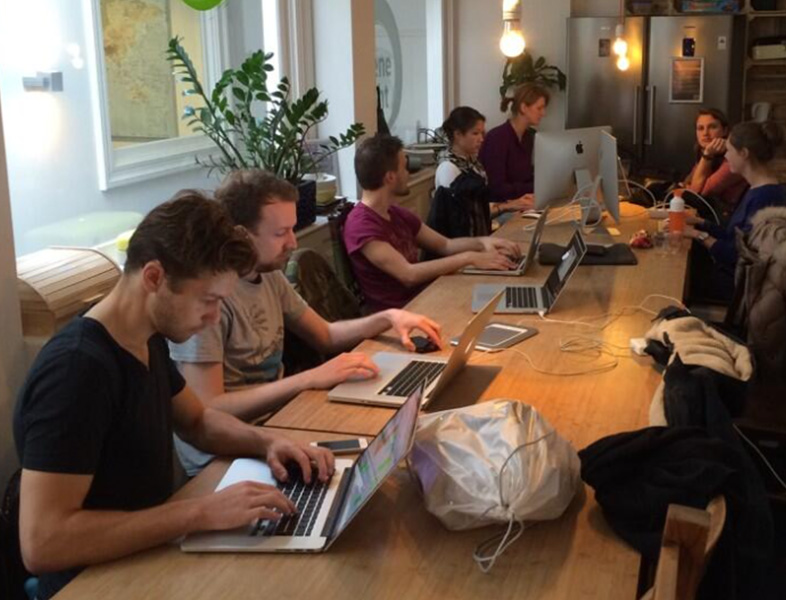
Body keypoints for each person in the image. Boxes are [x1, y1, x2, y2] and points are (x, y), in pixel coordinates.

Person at [13, 192, 335, 600]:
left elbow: (198, 422)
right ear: (153, 278)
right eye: (208, 301)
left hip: (149, 557)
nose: (215, 317)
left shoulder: (146, 338)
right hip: (96, 583)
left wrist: (271, 441)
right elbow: (43, 543)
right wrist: (200, 512)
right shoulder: (78, 371)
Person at [169, 170, 442, 475]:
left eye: (292, 229)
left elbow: (324, 334)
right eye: (280, 233)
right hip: (224, 458)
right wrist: (308, 378)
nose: (292, 242)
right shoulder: (208, 300)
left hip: (279, 422)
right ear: (242, 235)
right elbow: (208, 407)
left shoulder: (269, 274)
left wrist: (389, 317)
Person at [344, 134, 521, 312]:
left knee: (498, 297)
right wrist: (470, 258)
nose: (408, 173)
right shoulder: (362, 226)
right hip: (402, 316)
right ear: (390, 177)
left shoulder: (395, 212)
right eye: (404, 168)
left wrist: (483, 243)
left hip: (428, 298)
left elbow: (445, 244)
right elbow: (408, 274)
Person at [684, 121, 786, 301]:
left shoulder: (765, 198)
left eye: (729, 151)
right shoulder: (757, 189)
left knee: (679, 276)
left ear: (744, 153)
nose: (726, 157)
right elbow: (734, 236)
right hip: (732, 275)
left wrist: (699, 236)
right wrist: (700, 224)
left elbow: (737, 255)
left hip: (738, 286)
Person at [433, 106, 535, 235]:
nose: (481, 139)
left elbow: (479, 203)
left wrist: (515, 203)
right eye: (475, 133)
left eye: (482, 133)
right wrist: (506, 207)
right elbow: (466, 216)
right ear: (458, 134)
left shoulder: (472, 161)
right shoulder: (448, 168)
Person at [478, 83, 549, 207]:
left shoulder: (529, 137)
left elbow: (526, 177)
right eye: (539, 108)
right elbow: (496, 188)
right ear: (523, 108)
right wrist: (535, 187)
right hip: (501, 207)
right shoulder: (497, 138)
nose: (544, 113)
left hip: (522, 203)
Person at [683, 108, 748, 220]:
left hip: (730, 222)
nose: (705, 133)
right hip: (711, 216)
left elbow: (697, 194)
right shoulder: (706, 152)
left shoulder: (733, 158)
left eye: (712, 127)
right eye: (700, 128)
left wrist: (707, 156)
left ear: (725, 131)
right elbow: (686, 184)